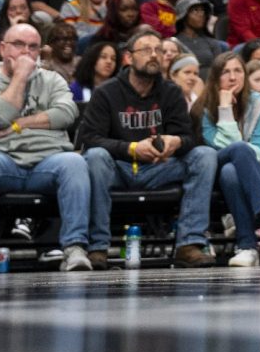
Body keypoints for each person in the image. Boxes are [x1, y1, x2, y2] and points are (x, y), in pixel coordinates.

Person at [0, 20, 95, 273]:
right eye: (18, 45)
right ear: (2, 48)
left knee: (74, 162)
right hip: (1, 161)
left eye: (33, 47)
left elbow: (66, 113)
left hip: (47, 163)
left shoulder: (52, 79)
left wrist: (18, 124)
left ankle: (75, 248)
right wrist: (20, 76)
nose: (26, 53)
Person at [77, 27, 219, 267]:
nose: (154, 55)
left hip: (159, 168)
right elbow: (90, 138)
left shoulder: (171, 92)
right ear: (129, 58)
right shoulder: (107, 92)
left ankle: (189, 244)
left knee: (204, 155)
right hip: (119, 168)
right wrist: (131, 148)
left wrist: (177, 142)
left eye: (159, 50)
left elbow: (189, 138)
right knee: (96, 157)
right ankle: (97, 247)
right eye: (147, 50)